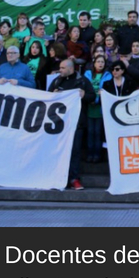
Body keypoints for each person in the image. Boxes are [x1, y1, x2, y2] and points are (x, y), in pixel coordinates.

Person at [49, 58, 94, 190]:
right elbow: (46, 97)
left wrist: (84, 95)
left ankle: (74, 178)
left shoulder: (83, 81)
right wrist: (53, 95)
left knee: (74, 152)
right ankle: (58, 177)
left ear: (71, 68)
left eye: (63, 68)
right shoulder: (57, 80)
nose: (60, 70)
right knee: (59, 151)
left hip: (76, 123)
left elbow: (92, 97)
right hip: (59, 124)